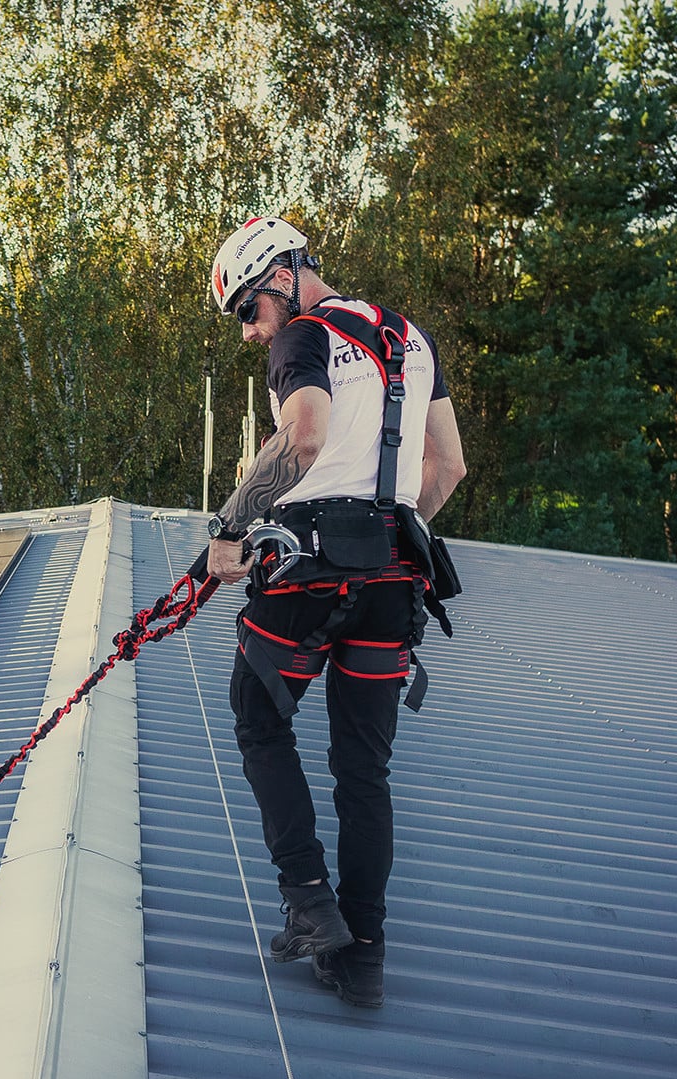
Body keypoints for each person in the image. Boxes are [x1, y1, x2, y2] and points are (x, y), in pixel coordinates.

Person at [203, 216, 466, 1009]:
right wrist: (389, 526)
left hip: (308, 574)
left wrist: (229, 528)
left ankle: (310, 901)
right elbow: (448, 465)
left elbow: (305, 439)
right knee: (365, 771)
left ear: (282, 276)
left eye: (249, 309)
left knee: (257, 717)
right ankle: (364, 957)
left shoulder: (303, 336)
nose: (251, 334)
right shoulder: (409, 338)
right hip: (393, 578)